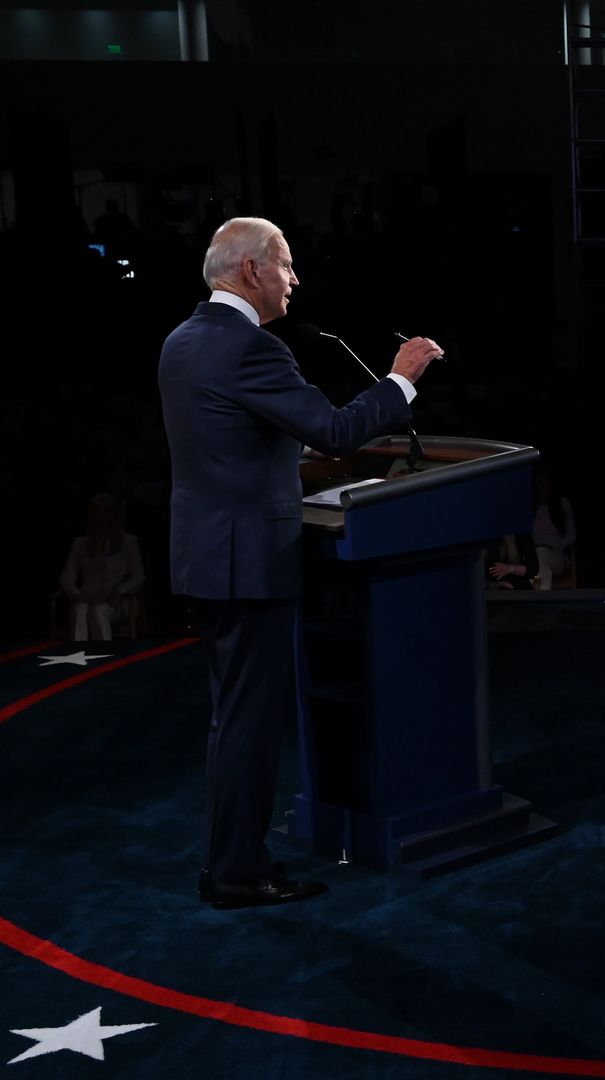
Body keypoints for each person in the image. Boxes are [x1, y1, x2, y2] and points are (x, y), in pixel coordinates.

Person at [159, 217, 442, 908]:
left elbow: (227, 441)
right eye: (286, 264)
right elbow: (339, 429)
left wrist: (290, 453)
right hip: (248, 564)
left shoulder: (182, 341)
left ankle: (228, 861)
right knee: (249, 725)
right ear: (251, 270)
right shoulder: (250, 348)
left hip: (206, 558)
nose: (294, 278)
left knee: (234, 719)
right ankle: (237, 873)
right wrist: (400, 380)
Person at [58, 493, 145, 640]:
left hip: (116, 601)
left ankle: (104, 654)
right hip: (88, 597)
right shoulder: (80, 543)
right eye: (97, 511)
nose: (102, 516)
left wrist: (120, 591)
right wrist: (75, 593)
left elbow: (138, 575)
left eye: (107, 511)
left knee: (99, 610)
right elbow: (67, 575)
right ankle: (78, 653)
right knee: (80, 610)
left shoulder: (128, 542)